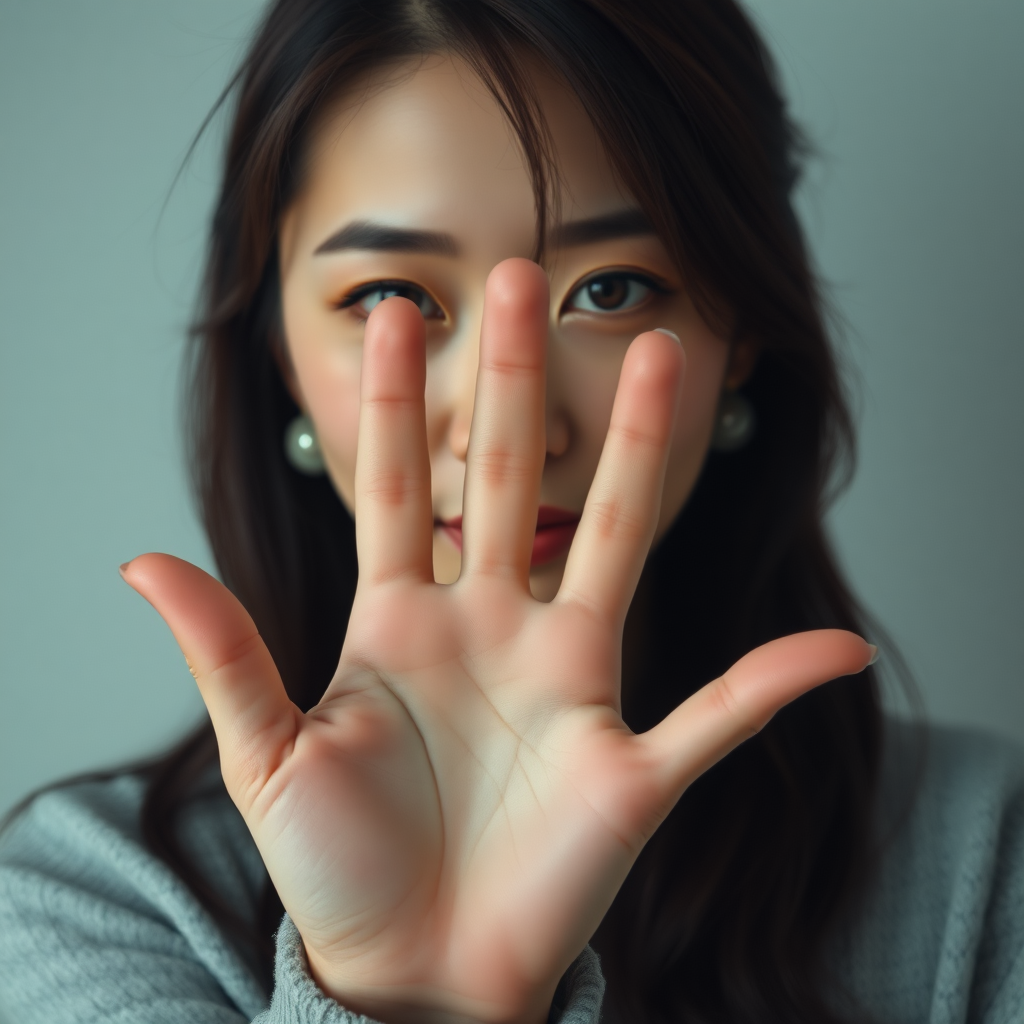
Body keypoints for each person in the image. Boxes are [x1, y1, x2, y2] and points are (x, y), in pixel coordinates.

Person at [1, 1, 1021, 1022]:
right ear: (280, 356)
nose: (511, 422)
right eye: (389, 296)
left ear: (741, 331)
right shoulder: (84, 907)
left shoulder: (989, 865)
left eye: (611, 289)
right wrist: (415, 997)